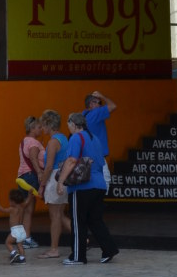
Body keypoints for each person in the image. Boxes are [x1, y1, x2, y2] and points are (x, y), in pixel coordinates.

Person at [57, 112, 118, 266]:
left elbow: (71, 161)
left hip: (82, 186)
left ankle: (78, 256)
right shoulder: (94, 138)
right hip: (98, 184)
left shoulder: (77, 138)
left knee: (78, 221)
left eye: (68, 124)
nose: (68, 128)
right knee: (95, 220)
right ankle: (109, 249)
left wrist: (61, 182)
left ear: (74, 124)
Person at [40, 110, 71, 257]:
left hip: (54, 178)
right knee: (60, 214)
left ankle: (54, 249)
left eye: (43, 125)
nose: (42, 128)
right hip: (64, 178)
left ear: (48, 124)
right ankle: (83, 238)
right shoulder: (64, 138)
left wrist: (42, 183)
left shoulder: (53, 142)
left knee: (55, 216)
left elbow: (49, 166)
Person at [14, 117, 44, 247]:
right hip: (31, 177)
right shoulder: (33, 142)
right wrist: (40, 173)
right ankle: (25, 238)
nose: (41, 129)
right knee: (29, 209)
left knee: (25, 207)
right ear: (32, 128)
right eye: (38, 127)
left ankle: (23, 237)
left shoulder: (24, 141)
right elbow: (33, 158)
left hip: (23, 176)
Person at [83, 92, 115, 189]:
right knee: (105, 183)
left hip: (85, 157)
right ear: (92, 104)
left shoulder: (83, 115)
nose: (100, 105)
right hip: (98, 157)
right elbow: (112, 106)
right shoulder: (96, 113)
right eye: (99, 102)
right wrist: (102, 95)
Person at [5, 188, 30, 263]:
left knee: (8, 243)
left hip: (15, 230)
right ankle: (22, 259)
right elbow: (28, 201)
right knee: (20, 245)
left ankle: (14, 253)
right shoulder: (22, 206)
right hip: (22, 230)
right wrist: (30, 195)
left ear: (13, 201)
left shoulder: (12, 209)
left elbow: (2, 210)